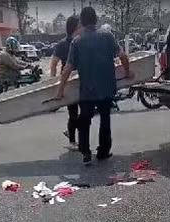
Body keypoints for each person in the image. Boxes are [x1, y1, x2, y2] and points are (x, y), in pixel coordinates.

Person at [55, 7, 131, 165]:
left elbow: (67, 68)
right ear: (96, 19)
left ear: (82, 22)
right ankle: (103, 152)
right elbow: (122, 55)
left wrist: (60, 90)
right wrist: (127, 72)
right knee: (105, 119)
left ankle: (86, 152)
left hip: (87, 90)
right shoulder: (107, 36)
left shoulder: (77, 41)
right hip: (106, 87)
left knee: (85, 120)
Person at [50, 15, 82, 150]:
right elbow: (54, 63)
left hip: (81, 80)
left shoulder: (81, 41)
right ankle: (72, 141)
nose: (82, 28)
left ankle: (72, 132)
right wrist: (53, 81)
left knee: (85, 111)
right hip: (68, 81)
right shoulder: (63, 44)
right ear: (75, 28)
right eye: (80, 26)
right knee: (73, 112)